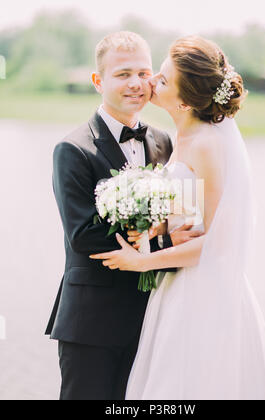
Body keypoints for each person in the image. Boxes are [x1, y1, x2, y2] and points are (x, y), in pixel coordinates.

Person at [90, 35, 265, 400]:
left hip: (204, 292)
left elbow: (214, 243)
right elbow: (187, 220)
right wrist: (154, 226)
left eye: (161, 80)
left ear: (183, 100)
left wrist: (141, 262)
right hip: (176, 286)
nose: (150, 83)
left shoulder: (209, 144)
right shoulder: (183, 136)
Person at [45, 31, 201, 400]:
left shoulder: (165, 141)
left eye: (144, 72)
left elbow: (186, 217)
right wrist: (163, 241)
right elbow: (83, 234)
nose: (136, 83)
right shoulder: (72, 148)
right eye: (122, 74)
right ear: (98, 81)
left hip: (154, 319)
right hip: (92, 323)